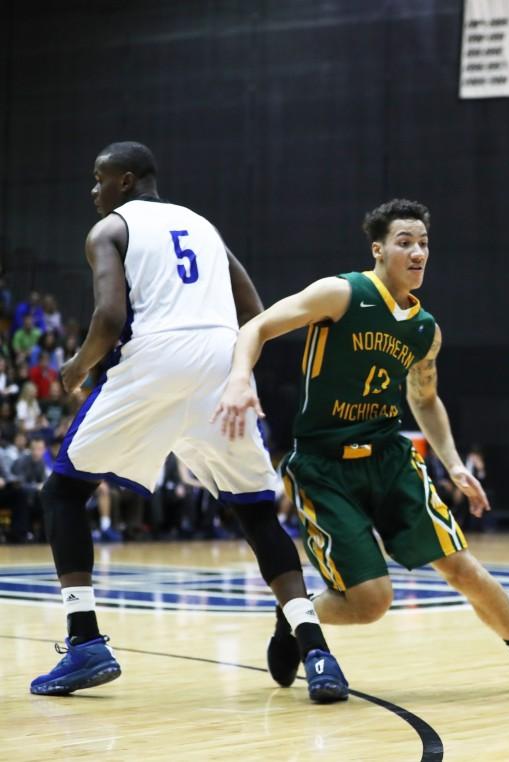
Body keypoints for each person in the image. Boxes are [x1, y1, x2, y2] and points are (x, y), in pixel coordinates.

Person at [214, 198, 509, 694]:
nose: (418, 251)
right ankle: (296, 612)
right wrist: (238, 379)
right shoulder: (340, 293)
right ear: (378, 250)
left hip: (389, 459)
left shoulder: (425, 329)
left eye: (424, 243)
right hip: (323, 466)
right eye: (405, 242)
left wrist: (454, 465)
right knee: (372, 602)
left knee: (458, 563)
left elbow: (425, 400)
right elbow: (257, 326)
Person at [31, 141, 342, 702]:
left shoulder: (110, 229)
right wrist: (236, 369)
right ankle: (317, 650)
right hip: (221, 362)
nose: (93, 191)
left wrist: (76, 370)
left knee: (61, 492)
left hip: (155, 359)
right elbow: (256, 310)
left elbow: (109, 316)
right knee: (254, 511)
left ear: (124, 181)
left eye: (99, 179)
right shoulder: (204, 226)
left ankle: (85, 641)